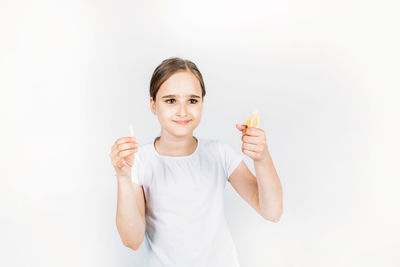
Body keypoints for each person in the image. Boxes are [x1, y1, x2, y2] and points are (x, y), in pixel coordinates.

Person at [109, 57, 283, 267]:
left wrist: (262, 158)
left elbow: (272, 212)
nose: (183, 111)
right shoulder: (140, 162)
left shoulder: (220, 154)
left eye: (192, 100)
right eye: (170, 100)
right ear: (153, 105)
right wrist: (123, 177)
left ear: (202, 103)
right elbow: (132, 240)